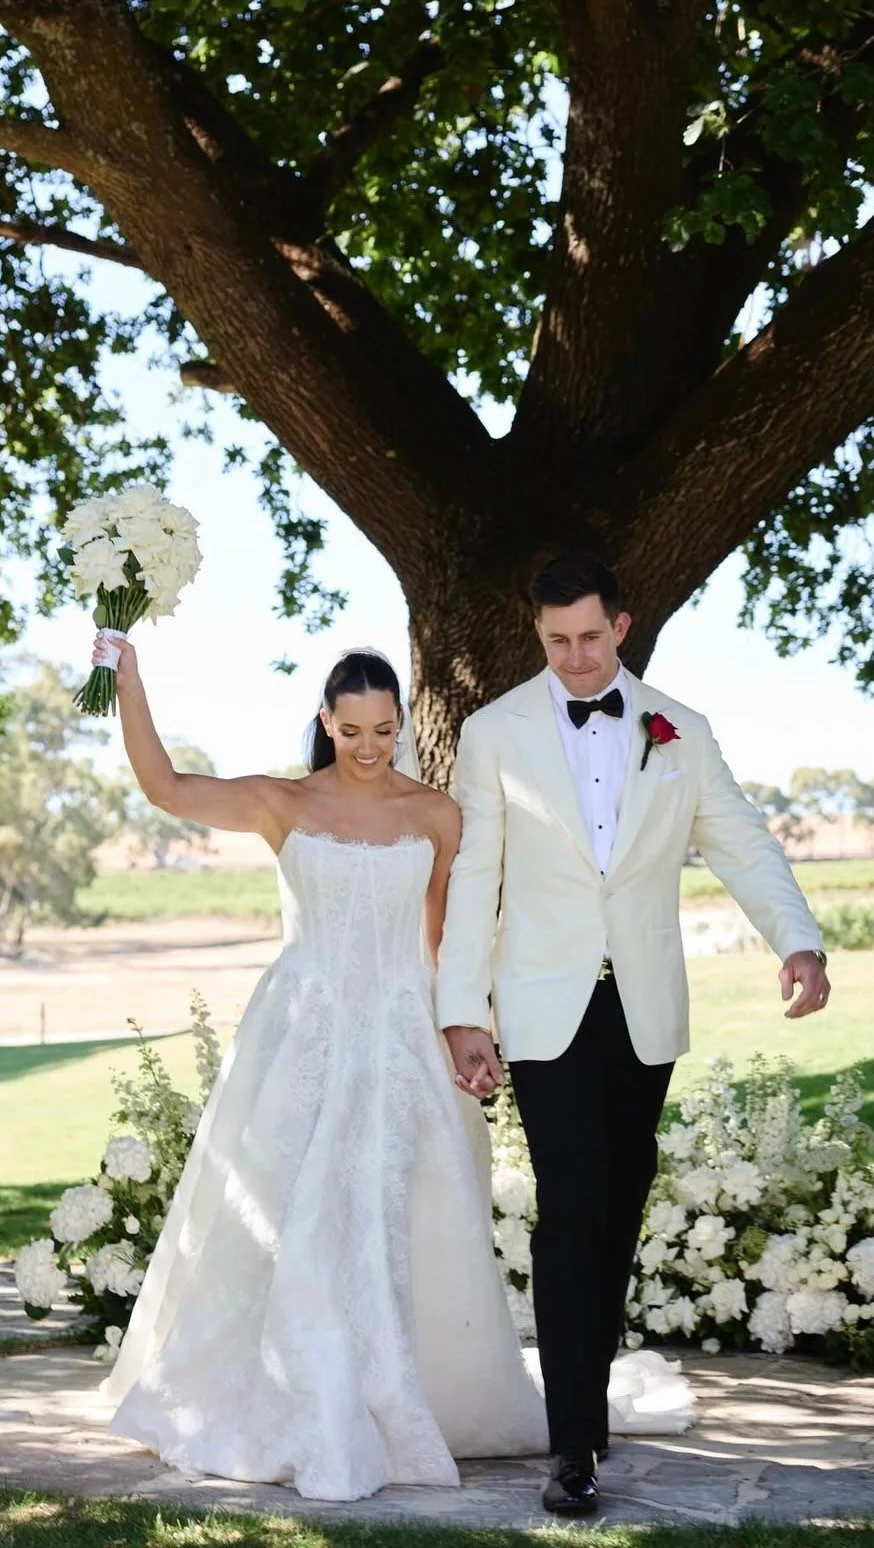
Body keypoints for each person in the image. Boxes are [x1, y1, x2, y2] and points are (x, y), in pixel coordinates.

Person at [97, 636, 548, 1500]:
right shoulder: (284, 802)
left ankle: (407, 1395)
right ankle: (302, 1400)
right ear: (325, 723)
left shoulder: (437, 815)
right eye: (352, 731)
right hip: (299, 1036)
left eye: (383, 729)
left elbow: (445, 942)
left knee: (391, 1214)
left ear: (401, 722)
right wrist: (130, 680)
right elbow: (166, 788)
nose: (369, 746)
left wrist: (467, 1030)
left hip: (401, 1038)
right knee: (289, 1217)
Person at [437, 554, 830, 1519]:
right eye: (555, 641)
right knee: (572, 1207)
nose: (574, 657)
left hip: (643, 1006)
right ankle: (572, 1446)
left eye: (588, 637)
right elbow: (476, 873)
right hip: (544, 1006)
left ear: (621, 625)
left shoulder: (681, 728)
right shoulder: (494, 733)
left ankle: (587, 1404)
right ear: (537, 633)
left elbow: (740, 839)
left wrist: (799, 941)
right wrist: (462, 1008)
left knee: (616, 1209)